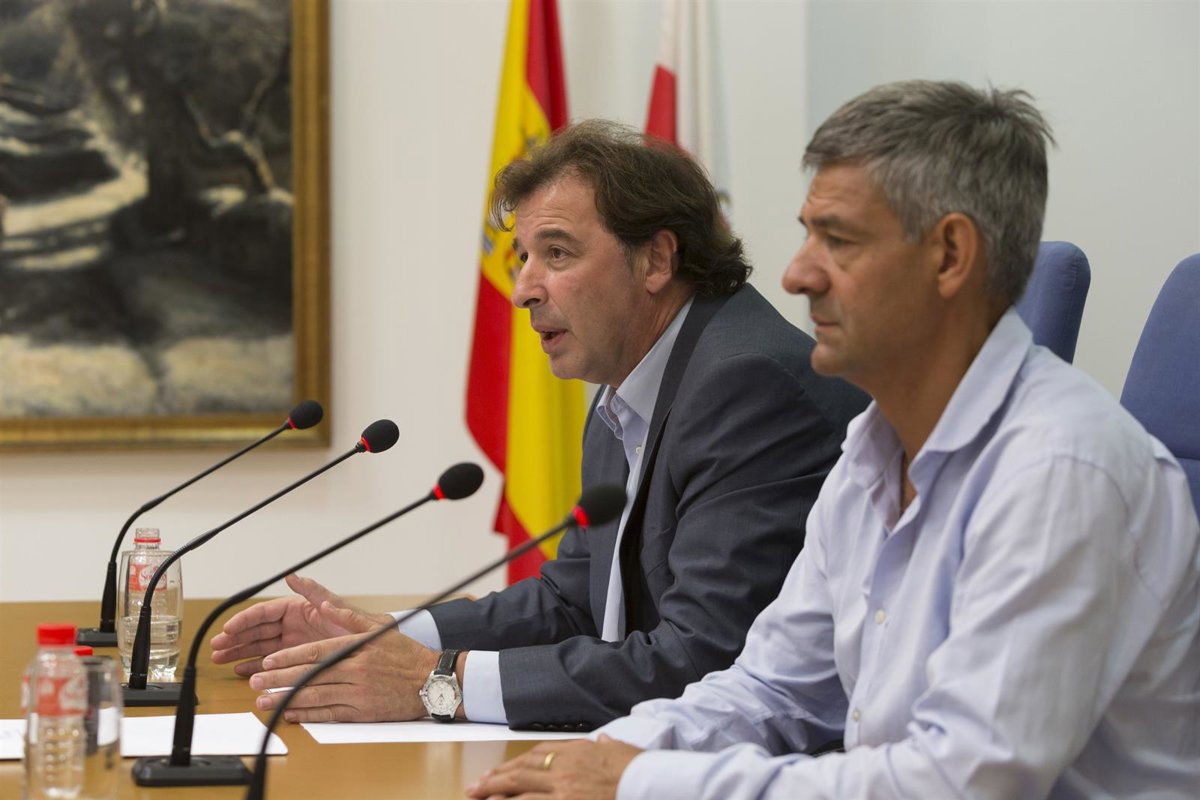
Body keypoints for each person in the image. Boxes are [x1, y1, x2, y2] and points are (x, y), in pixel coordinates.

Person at [467, 81, 1200, 798]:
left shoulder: (1060, 470)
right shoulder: (871, 453)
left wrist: (638, 779)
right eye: (807, 234)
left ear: (950, 256)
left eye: (838, 240)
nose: (796, 274)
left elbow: (960, 782)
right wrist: (596, 759)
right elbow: (771, 689)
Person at [210, 120, 868, 729]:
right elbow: (573, 602)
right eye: (523, 256)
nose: (524, 289)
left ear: (656, 261)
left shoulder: (745, 385)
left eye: (556, 254)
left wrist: (438, 682)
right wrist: (385, 636)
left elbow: (703, 659)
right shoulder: (630, 386)